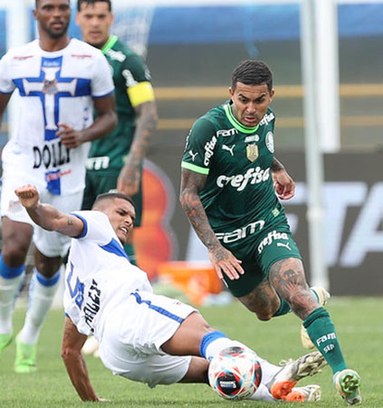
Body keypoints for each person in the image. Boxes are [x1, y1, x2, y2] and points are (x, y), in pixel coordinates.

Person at [14, 184, 326, 402]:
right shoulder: (95, 223)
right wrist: (34, 207)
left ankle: (274, 390)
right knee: (206, 337)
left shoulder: (75, 286)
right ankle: (274, 373)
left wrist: (91, 401)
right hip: (129, 313)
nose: (127, 221)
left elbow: (69, 352)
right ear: (100, 211)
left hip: (119, 359)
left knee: (209, 370)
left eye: (132, 218)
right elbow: (56, 220)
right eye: (122, 212)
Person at [179, 60, 361, 405]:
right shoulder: (208, 129)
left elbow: (260, 152)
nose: (251, 109)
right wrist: (215, 249)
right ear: (230, 94)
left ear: (271, 97)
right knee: (263, 309)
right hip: (228, 240)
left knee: (295, 291)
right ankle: (310, 301)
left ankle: (342, 373)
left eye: (259, 101)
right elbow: (188, 193)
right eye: (243, 100)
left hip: (267, 222)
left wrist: (277, 169)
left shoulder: (268, 119)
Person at [0, 0, 116, 373]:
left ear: (70, 14)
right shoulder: (14, 61)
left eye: (63, 7)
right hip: (23, 164)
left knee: (50, 259)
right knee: (16, 245)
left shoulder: (91, 61)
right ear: (36, 14)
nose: (57, 14)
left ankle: (31, 333)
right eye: (48, 7)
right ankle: (4, 322)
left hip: (67, 173)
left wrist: (82, 135)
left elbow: (110, 116)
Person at [76, 0, 158, 266]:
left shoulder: (127, 60)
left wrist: (132, 165)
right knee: (75, 239)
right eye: (89, 16)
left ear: (111, 18)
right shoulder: (70, 59)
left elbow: (148, 114)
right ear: (78, 18)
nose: (95, 22)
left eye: (101, 16)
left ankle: (133, 302)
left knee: (120, 236)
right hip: (77, 166)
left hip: (115, 163)